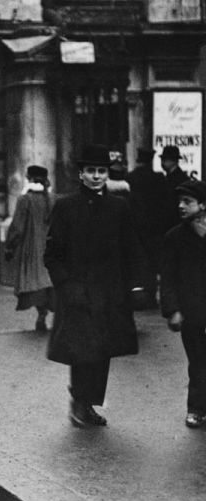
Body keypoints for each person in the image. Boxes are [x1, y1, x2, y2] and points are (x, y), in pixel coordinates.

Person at [44, 144, 147, 428]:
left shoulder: (119, 207)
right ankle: (78, 401)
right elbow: (52, 255)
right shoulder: (66, 207)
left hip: (110, 294)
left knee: (103, 350)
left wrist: (136, 285)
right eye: (91, 171)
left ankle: (89, 404)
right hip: (77, 293)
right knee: (81, 350)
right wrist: (66, 286)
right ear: (81, 174)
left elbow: (132, 248)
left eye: (101, 171)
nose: (97, 176)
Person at [160, 180, 206, 428]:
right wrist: (173, 310)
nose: (181, 206)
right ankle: (196, 409)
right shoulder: (175, 238)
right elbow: (167, 278)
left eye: (187, 202)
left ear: (202, 204)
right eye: (179, 201)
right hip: (192, 312)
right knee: (198, 361)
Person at [4, 165, 54, 332]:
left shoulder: (25, 199)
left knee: (34, 282)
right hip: (51, 248)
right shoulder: (52, 199)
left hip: (32, 248)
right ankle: (45, 313)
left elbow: (18, 227)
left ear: (29, 179)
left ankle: (41, 313)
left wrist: (10, 247)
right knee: (47, 282)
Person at [127, 148, 168, 309]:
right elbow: (164, 204)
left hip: (135, 227)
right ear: (151, 160)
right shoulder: (158, 179)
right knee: (152, 262)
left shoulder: (130, 178)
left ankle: (136, 295)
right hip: (154, 228)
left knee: (137, 261)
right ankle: (150, 296)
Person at [161, 145, 191, 234]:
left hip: (174, 222)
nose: (162, 162)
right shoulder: (170, 178)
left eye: (165, 159)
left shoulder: (180, 180)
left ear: (174, 161)